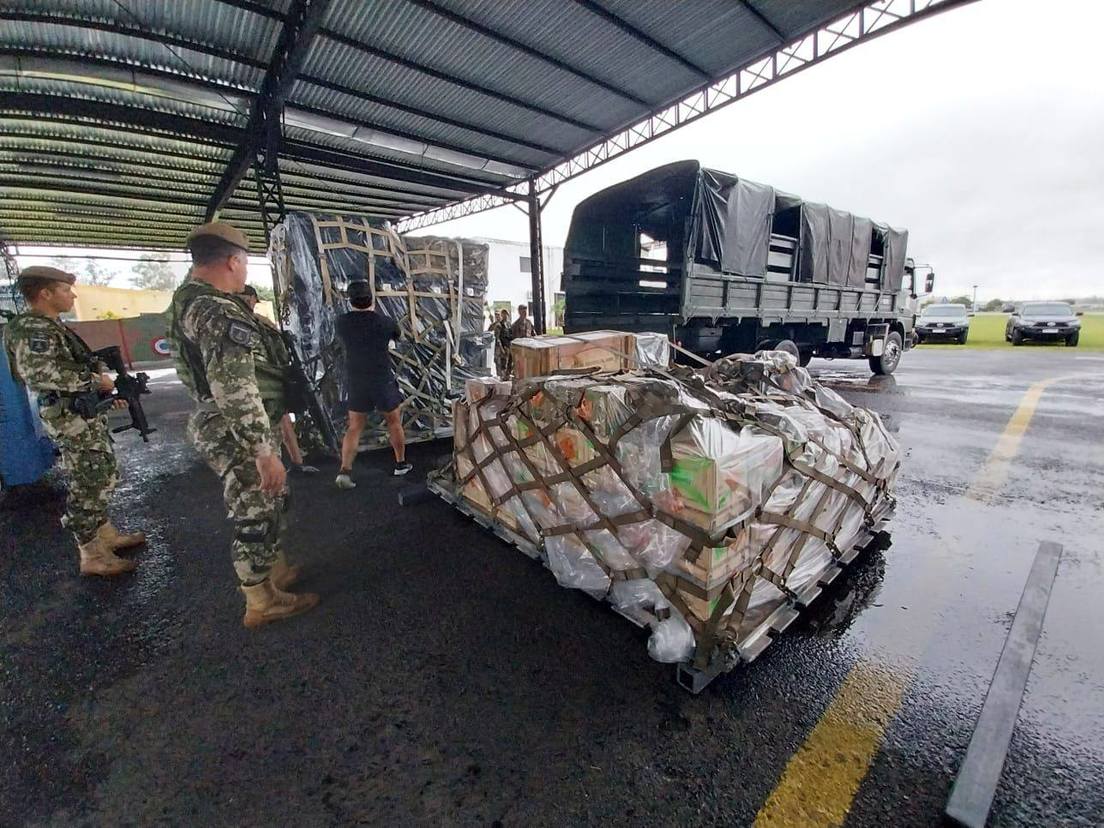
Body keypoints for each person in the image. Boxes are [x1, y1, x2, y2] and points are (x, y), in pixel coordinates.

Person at [167, 222, 318, 628]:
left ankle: (272, 576)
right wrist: (262, 450)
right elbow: (234, 387)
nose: (245, 271)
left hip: (227, 423)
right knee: (255, 509)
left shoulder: (189, 300)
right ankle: (260, 600)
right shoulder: (216, 309)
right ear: (234, 261)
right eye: (245, 263)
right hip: (236, 429)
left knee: (270, 502)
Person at [3, 266, 145, 576]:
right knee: (88, 479)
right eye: (66, 290)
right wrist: (96, 381)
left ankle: (105, 535)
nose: (73, 295)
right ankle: (91, 554)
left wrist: (104, 393)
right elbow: (40, 374)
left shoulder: (50, 325)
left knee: (101, 471)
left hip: (80, 412)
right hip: (69, 418)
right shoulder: (32, 328)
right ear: (45, 293)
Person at [334, 280, 411, 488]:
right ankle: (400, 464)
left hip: (357, 379)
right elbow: (400, 336)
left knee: (354, 427)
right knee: (394, 422)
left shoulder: (342, 322)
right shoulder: (385, 322)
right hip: (381, 378)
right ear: (372, 298)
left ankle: (344, 472)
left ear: (350, 300)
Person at [238, 284, 318, 476]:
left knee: (277, 423)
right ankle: (279, 467)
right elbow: (281, 352)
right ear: (251, 299)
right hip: (267, 384)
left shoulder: (248, 322)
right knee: (274, 425)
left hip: (256, 386)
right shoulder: (260, 323)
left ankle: (289, 463)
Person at [491, 308, 511, 377]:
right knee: (500, 368)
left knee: (506, 366)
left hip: (507, 348)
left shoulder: (508, 324)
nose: (506, 316)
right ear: (502, 315)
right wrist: (502, 349)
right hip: (500, 350)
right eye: (504, 314)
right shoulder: (499, 325)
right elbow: (497, 338)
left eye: (507, 314)